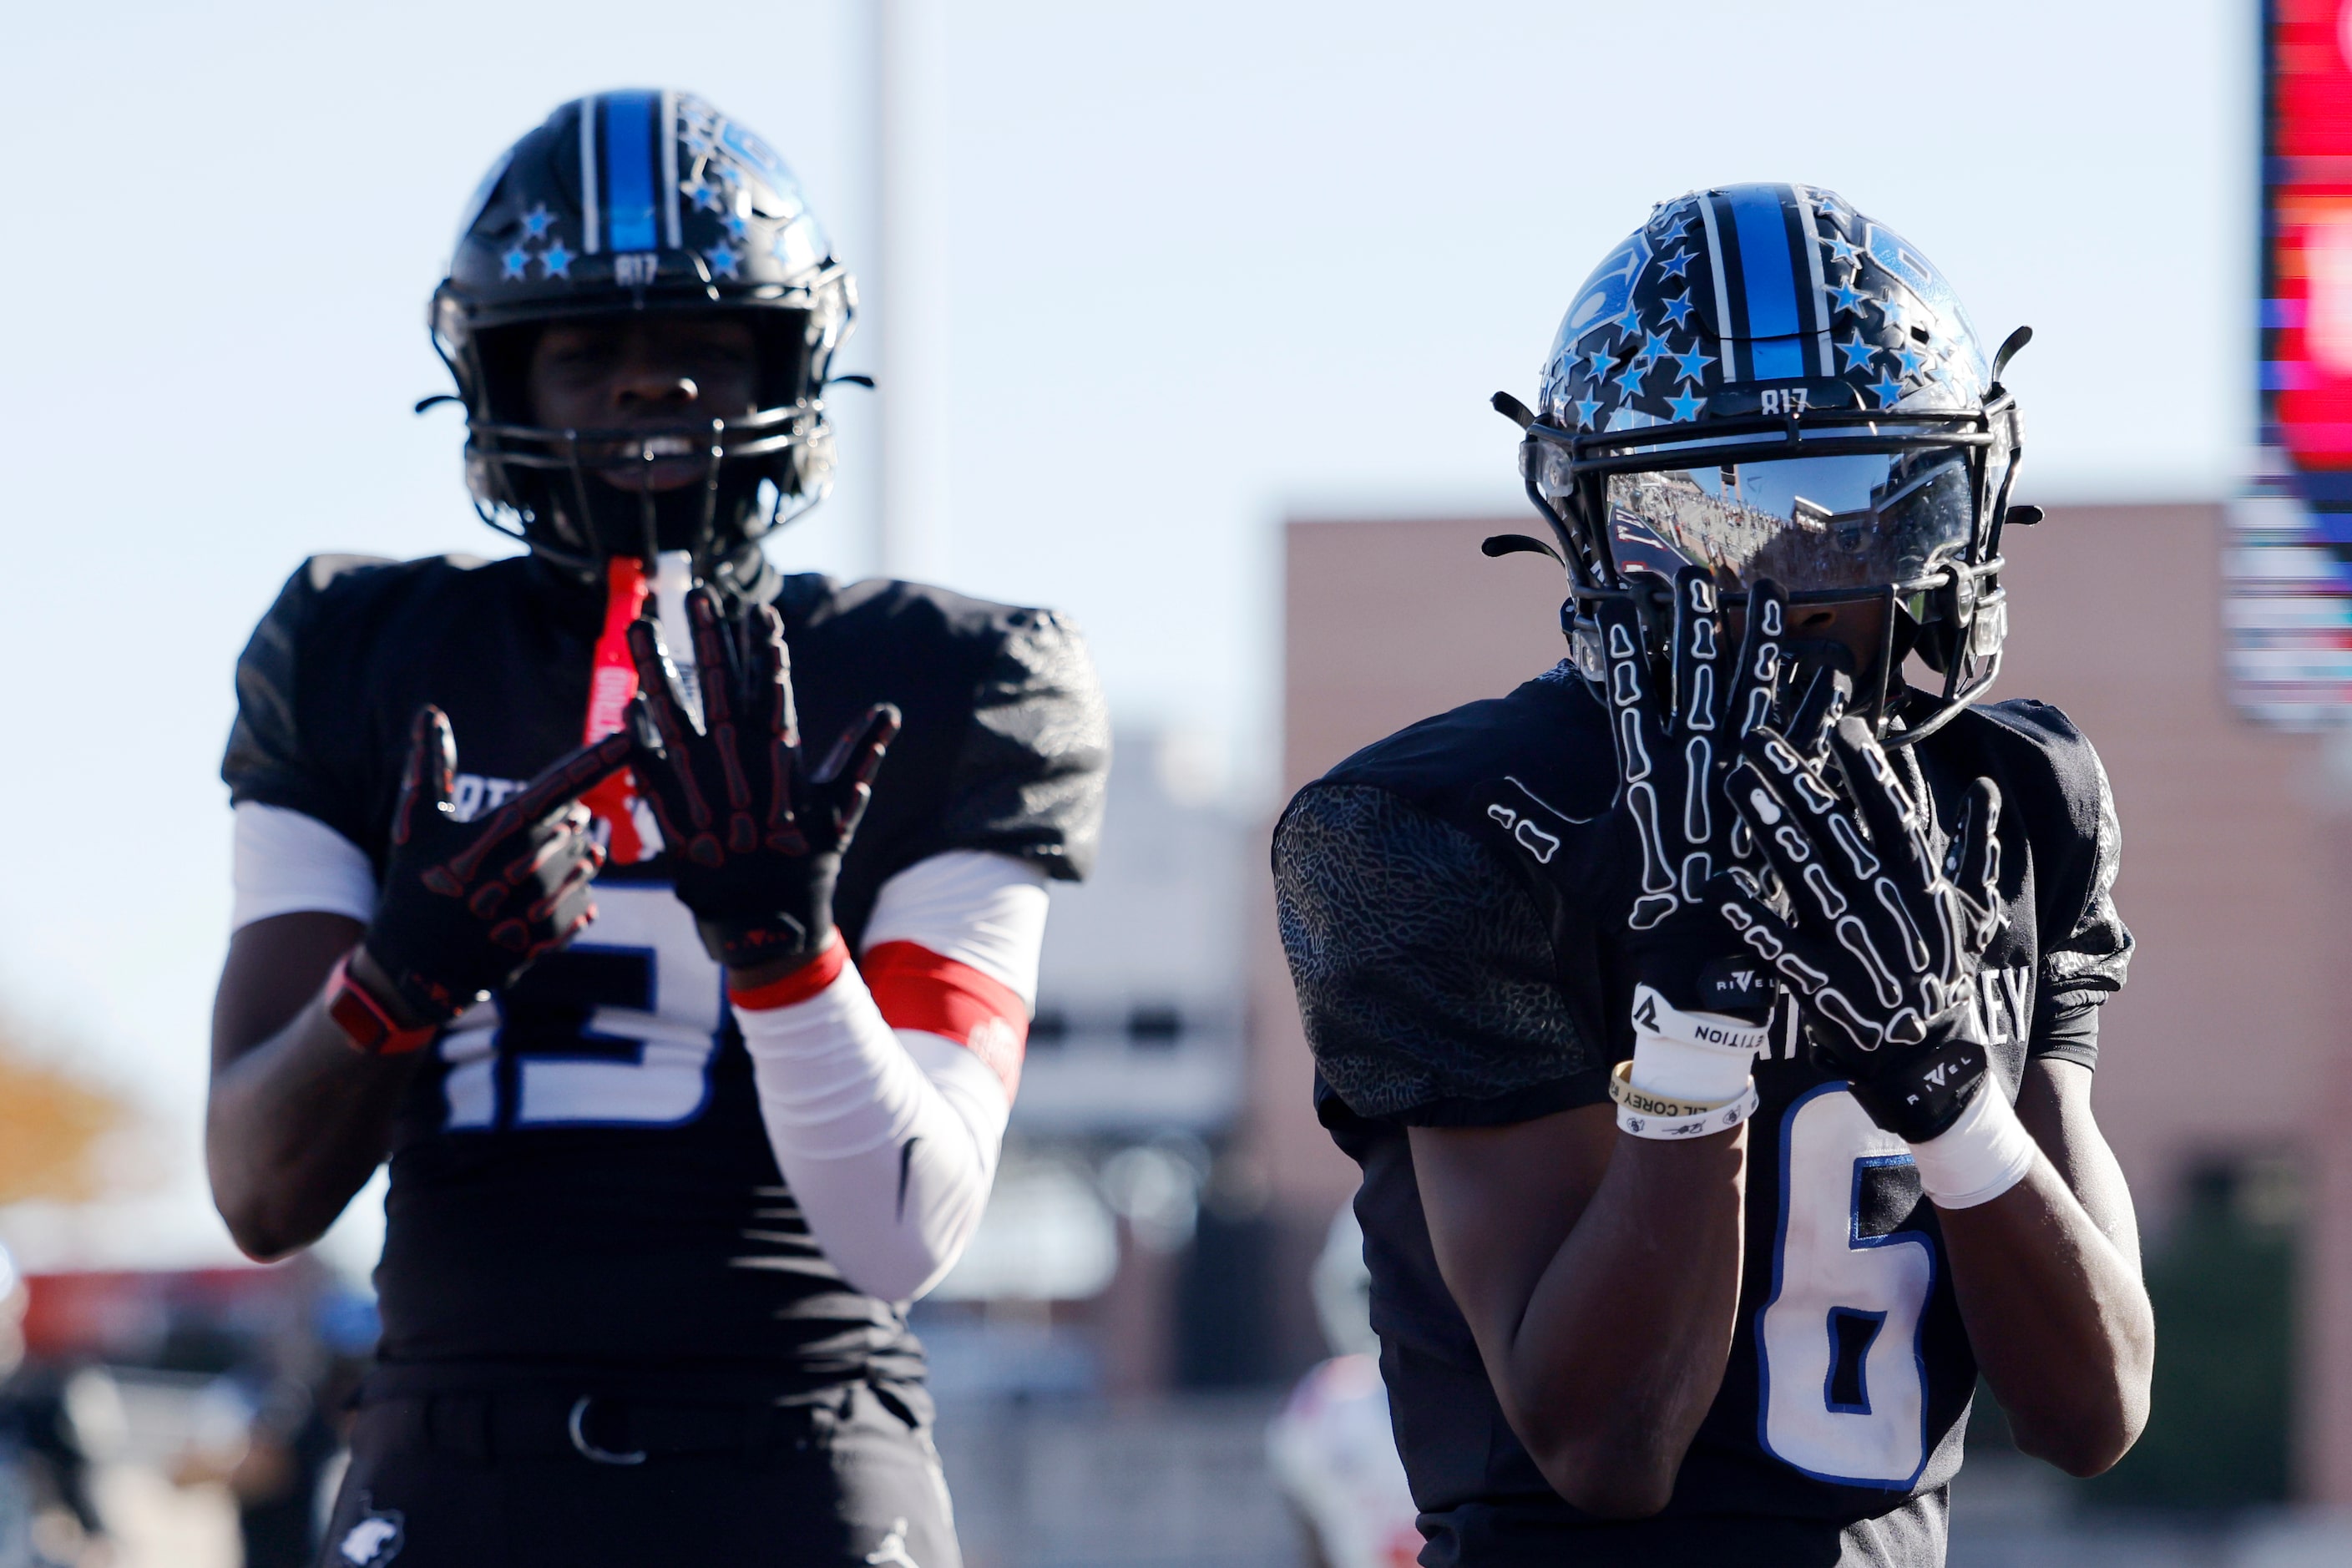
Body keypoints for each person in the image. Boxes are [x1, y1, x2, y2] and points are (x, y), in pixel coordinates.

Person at [205, 89, 1108, 1568]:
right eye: (585, 351)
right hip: (456, 1450)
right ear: (497, 374)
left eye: (700, 346)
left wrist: (782, 951)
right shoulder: (363, 654)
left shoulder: (948, 680)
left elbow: (904, 1233)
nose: (645, 393)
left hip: (797, 1444)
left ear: (789, 362)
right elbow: (257, 1188)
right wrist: (397, 983)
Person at [1272, 184, 2152, 1565]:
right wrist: (1693, 1033)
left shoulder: (2016, 800)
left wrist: (1939, 1084)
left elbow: (2093, 1407)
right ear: (1589, 525)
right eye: (1704, 514)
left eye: (1873, 503)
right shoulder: (1450, 825)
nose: (1796, 578)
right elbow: (1597, 1450)